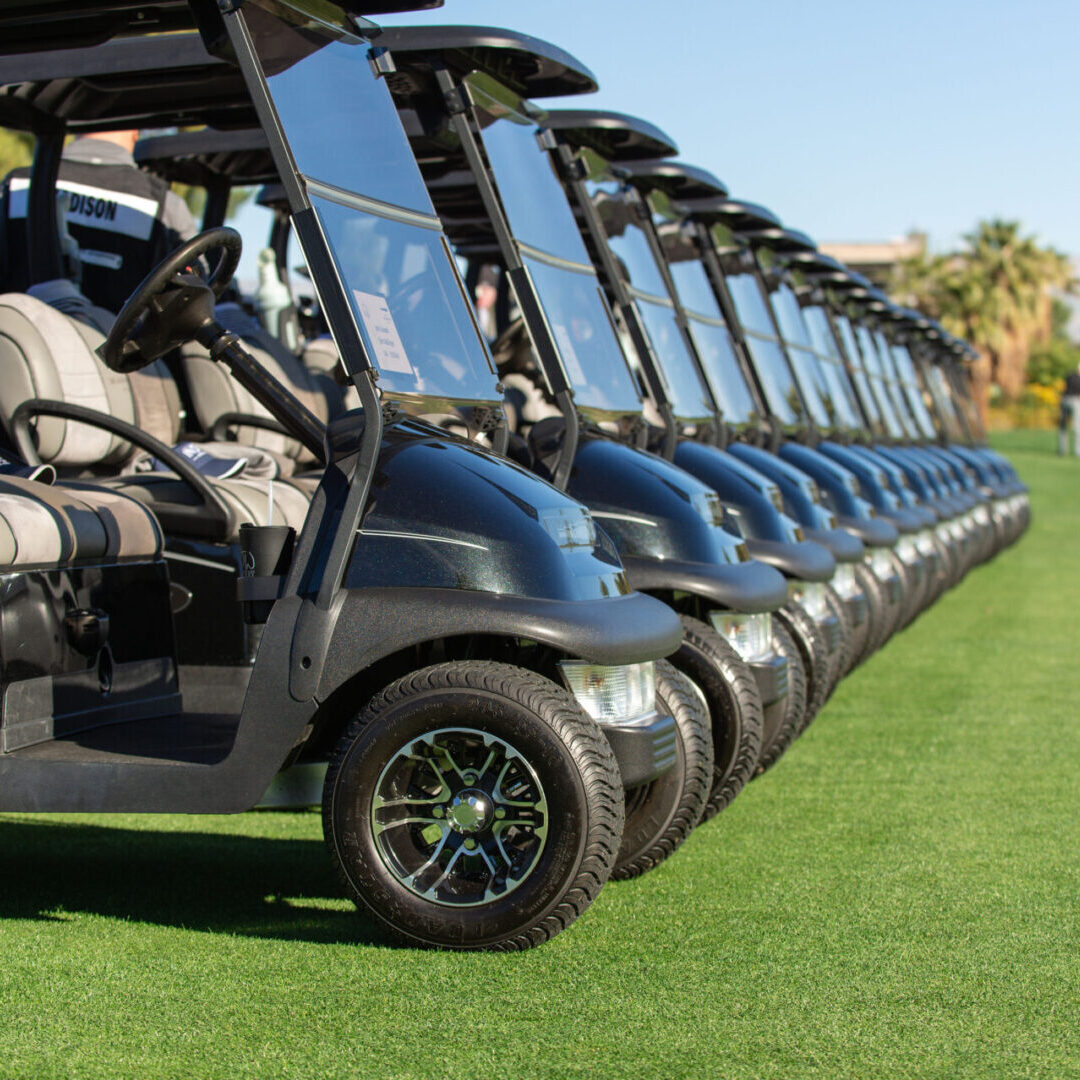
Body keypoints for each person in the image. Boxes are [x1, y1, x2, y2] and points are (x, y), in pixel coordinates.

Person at [1, 129, 198, 313]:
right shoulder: (165, 205)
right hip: (109, 347)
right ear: (135, 133)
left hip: (20, 344)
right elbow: (193, 302)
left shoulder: (15, 185)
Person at [1058, 364, 1080, 457]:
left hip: (1065, 400)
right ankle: (1078, 451)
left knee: (1063, 426)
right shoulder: (1076, 379)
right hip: (1074, 401)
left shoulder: (1070, 376)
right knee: (1077, 427)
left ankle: (1062, 450)